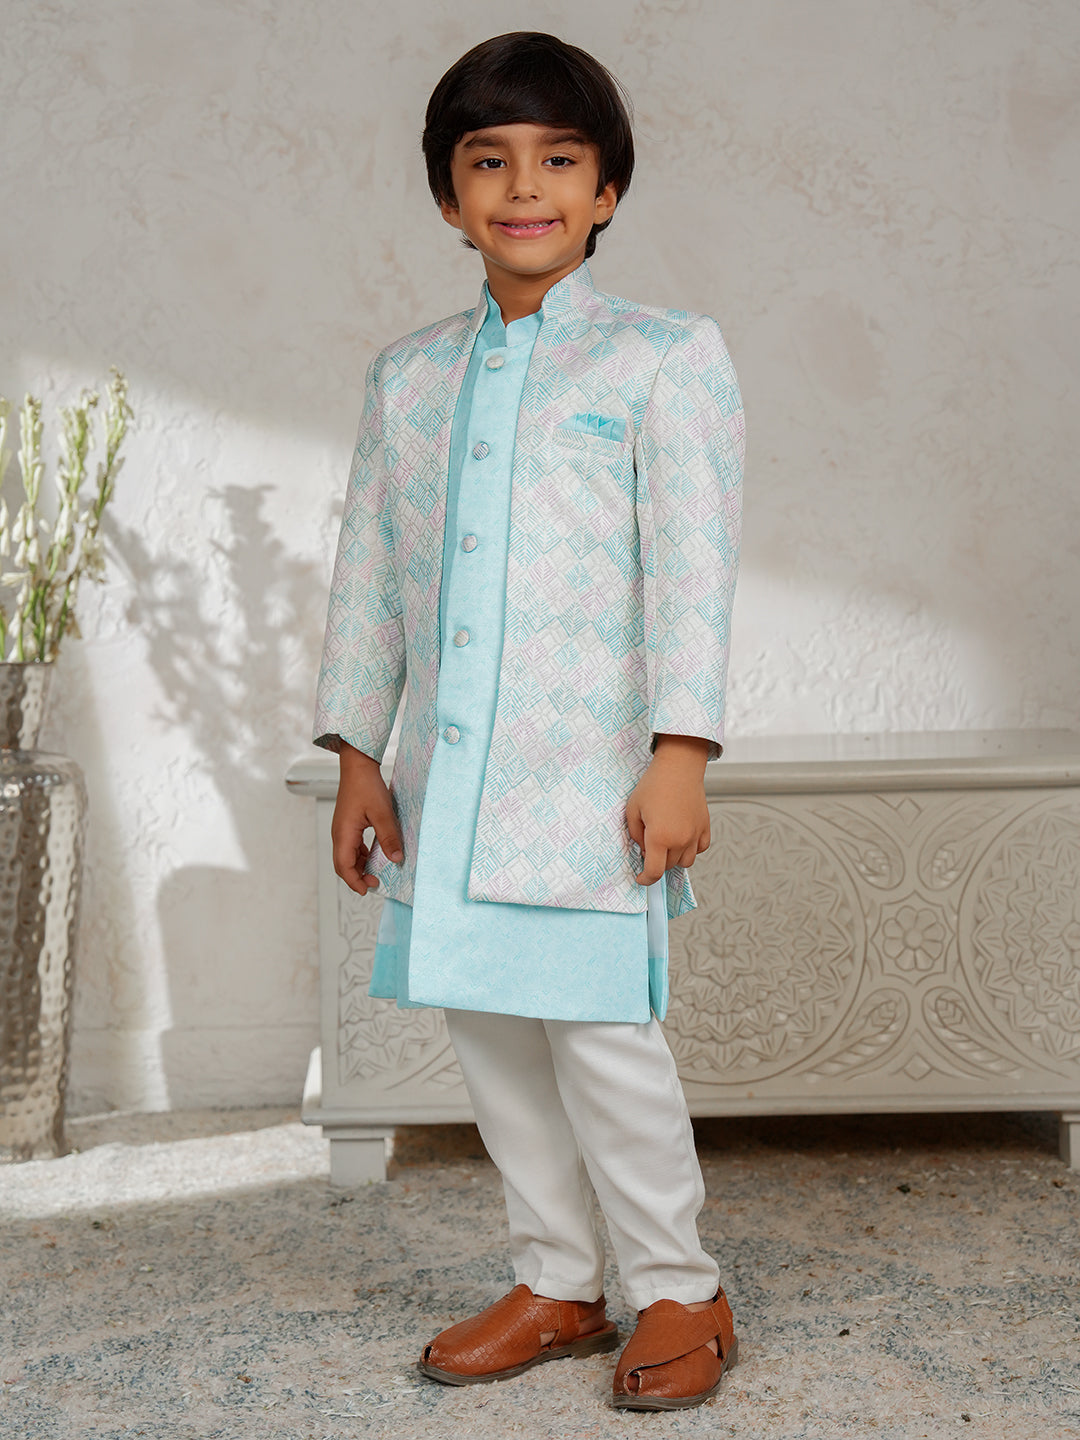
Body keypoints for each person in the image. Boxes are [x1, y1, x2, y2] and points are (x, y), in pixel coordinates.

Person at [312, 30, 745, 1412]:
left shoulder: (662, 359)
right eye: (489, 162)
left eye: (559, 160)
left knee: (604, 1043)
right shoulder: (410, 377)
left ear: (606, 189)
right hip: (449, 782)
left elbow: (694, 572)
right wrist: (358, 756)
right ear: (449, 198)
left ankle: (680, 1286)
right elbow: (372, 573)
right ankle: (557, 1277)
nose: (525, 188)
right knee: (493, 1036)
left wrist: (680, 756)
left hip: (590, 778)